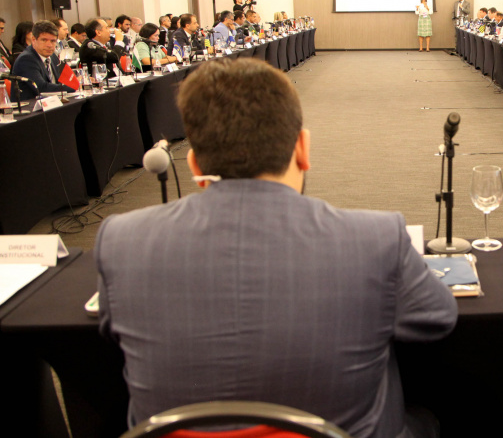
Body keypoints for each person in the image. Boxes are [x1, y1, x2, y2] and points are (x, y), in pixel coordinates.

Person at [95, 58, 458, 437]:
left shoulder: (120, 240)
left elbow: (108, 327)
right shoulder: (377, 237)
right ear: (302, 149)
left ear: (194, 165)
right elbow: (438, 318)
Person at [11, 20, 76, 99]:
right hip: (32, 108)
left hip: (53, 103)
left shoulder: (52, 56)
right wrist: (74, 86)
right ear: (34, 40)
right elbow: (41, 88)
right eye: (44, 40)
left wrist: (76, 81)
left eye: (53, 41)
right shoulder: (26, 59)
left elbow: (63, 79)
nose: (49, 45)